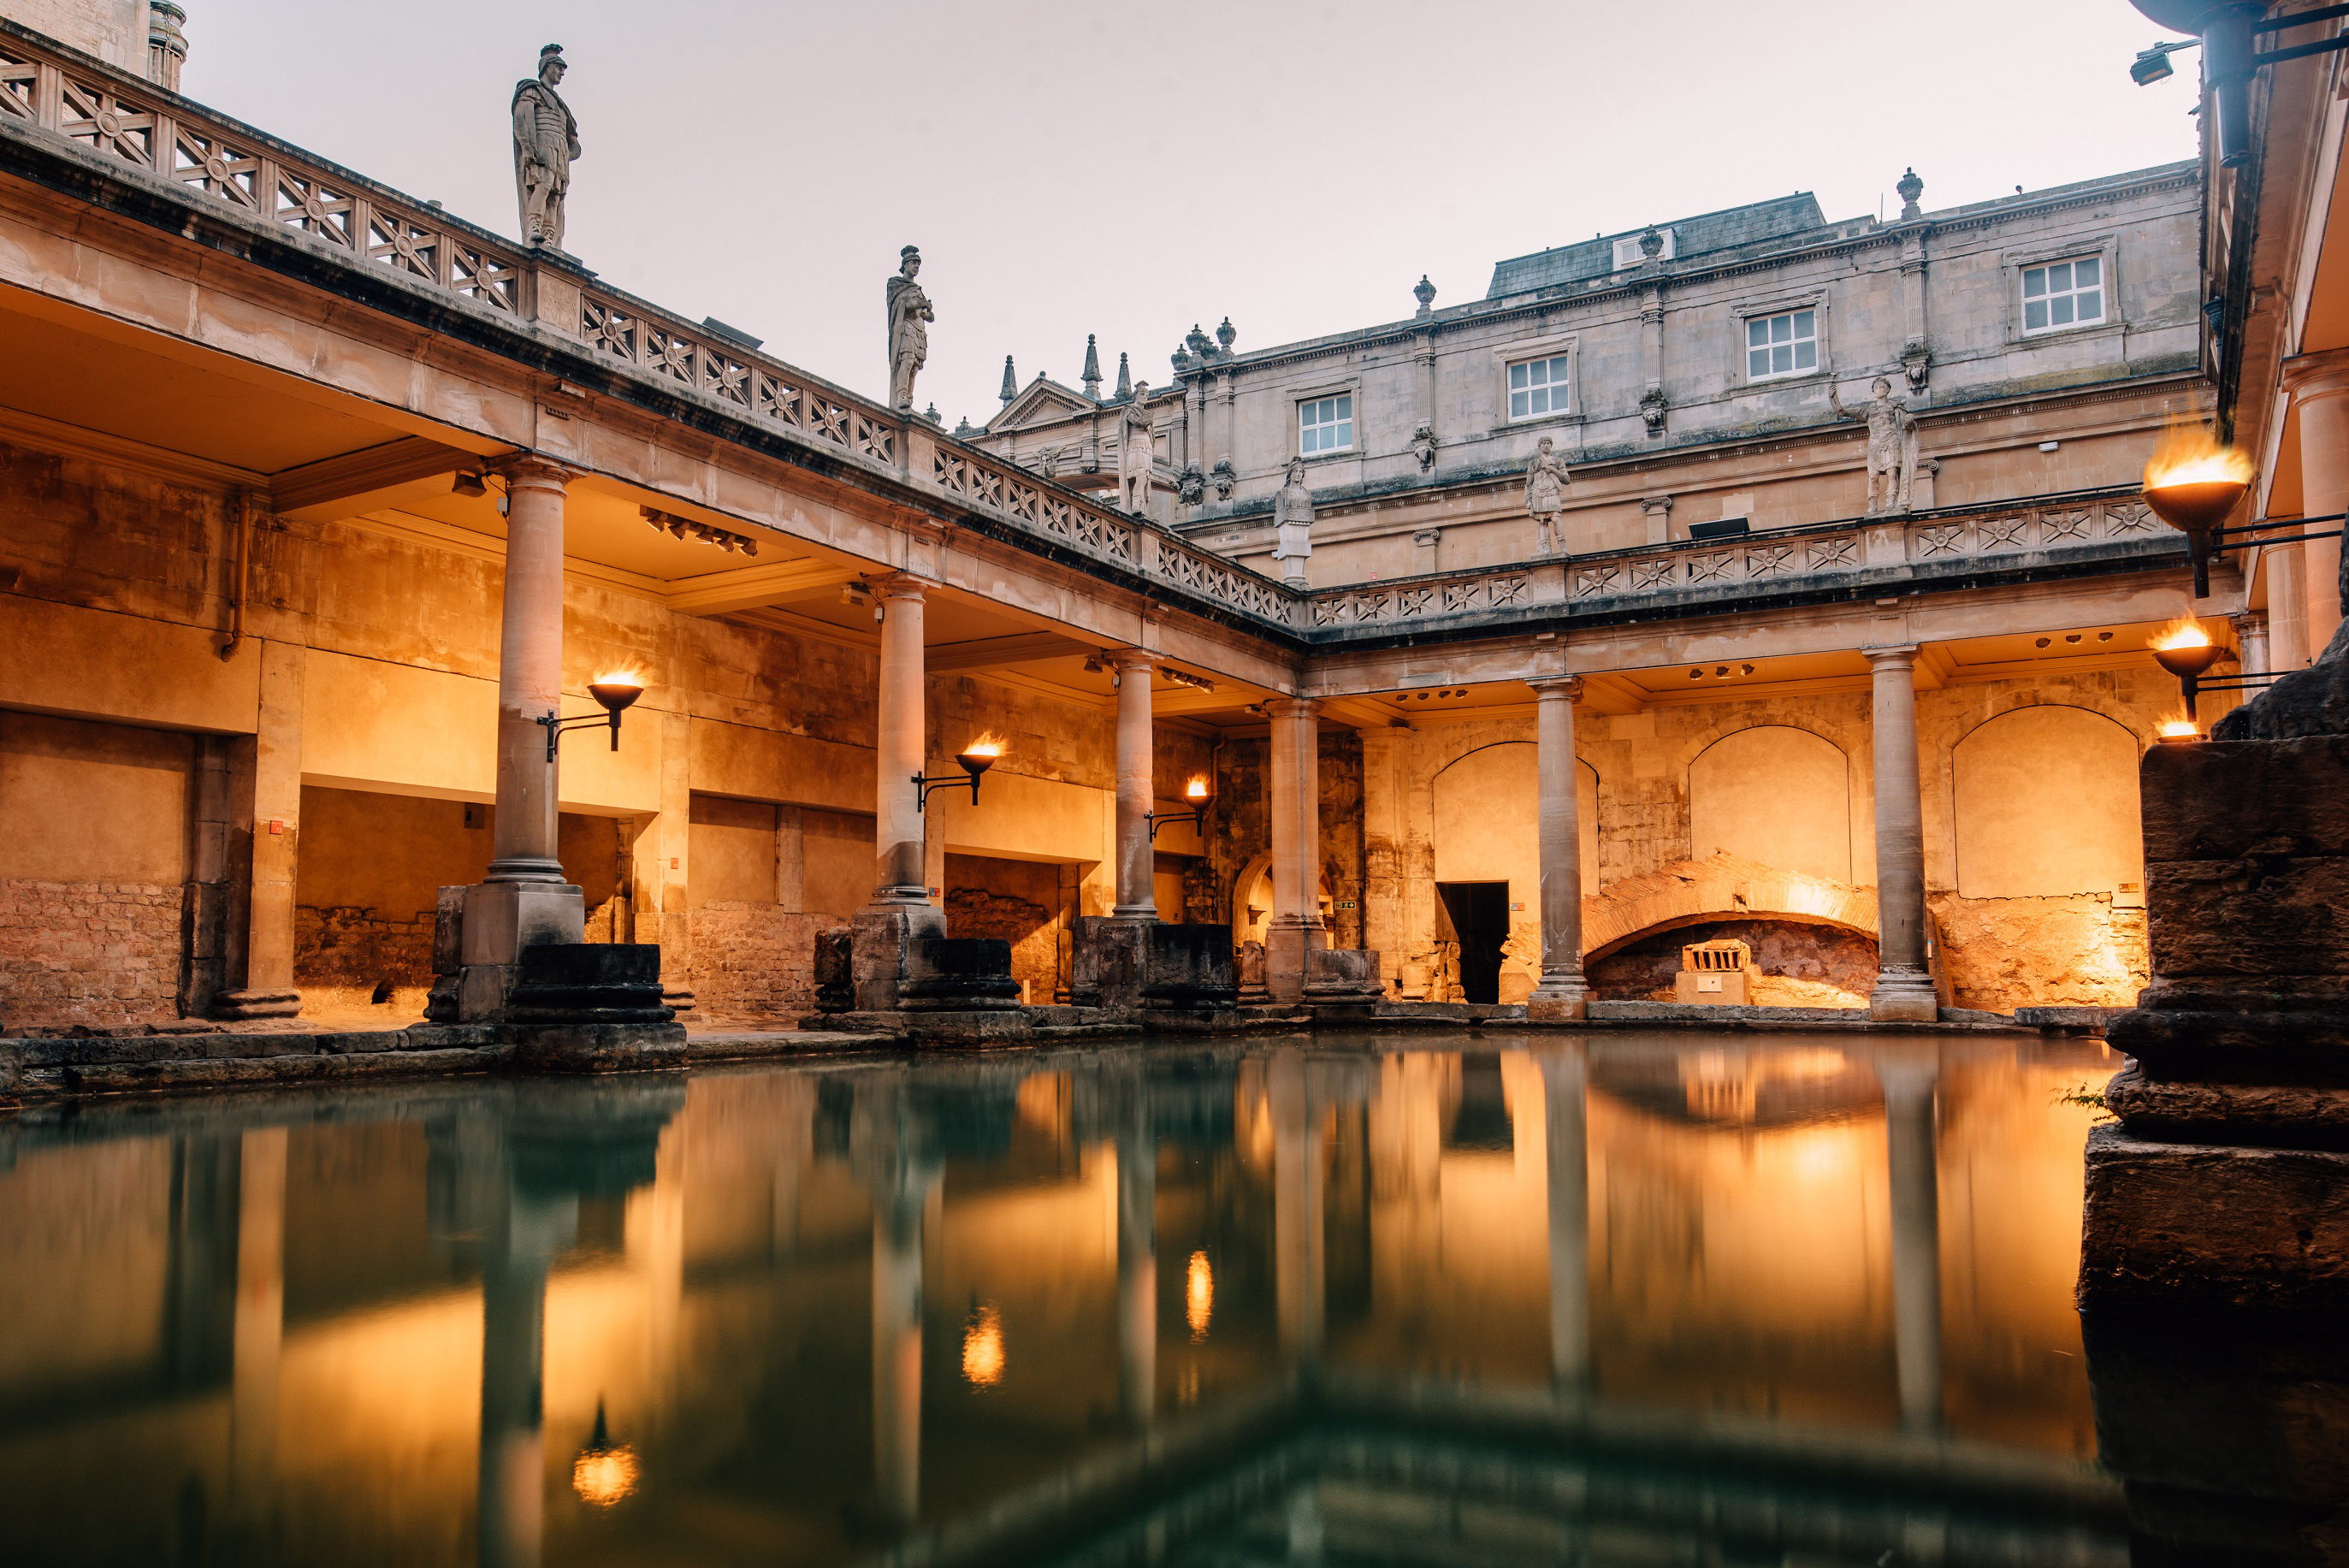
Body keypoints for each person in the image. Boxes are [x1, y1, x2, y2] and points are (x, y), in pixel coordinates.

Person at [512, 44, 579, 251]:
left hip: (559, 152)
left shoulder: (561, 105)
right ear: (546, 67)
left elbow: (571, 138)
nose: (560, 73)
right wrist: (528, 147)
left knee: (555, 197)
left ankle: (549, 238)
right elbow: (522, 120)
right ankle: (534, 228)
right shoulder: (531, 90)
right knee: (543, 186)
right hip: (542, 147)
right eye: (558, 68)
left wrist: (571, 151)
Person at [885, 246, 932, 411]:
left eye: (918, 264)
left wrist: (923, 309)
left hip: (919, 332)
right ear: (905, 265)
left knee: (914, 368)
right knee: (906, 361)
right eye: (913, 263)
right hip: (906, 328)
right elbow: (905, 305)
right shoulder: (895, 284)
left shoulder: (918, 290)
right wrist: (922, 306)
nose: (916, 267)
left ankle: (909, 398)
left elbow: (931, 316)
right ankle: (901, 395)